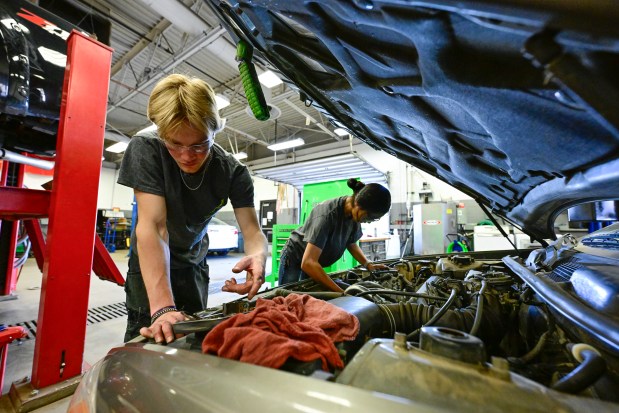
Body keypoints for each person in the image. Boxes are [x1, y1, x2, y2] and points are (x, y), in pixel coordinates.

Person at [117, 74, 267, 344]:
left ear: (214, 131)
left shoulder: (234, 172)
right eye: (175, 144)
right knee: (146, 347)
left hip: (194, 265)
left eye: (200, 145)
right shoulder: (145, 148)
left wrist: (258, 256)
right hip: (150, 266)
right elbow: (154, 226)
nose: (187, 156)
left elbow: (253, 232)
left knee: (194, 341)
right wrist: (162, 307)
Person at [278, 178, 391, 293]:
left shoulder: (354, 216)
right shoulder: (326, 215)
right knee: (288, 297)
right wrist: (340, 293)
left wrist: (368, 264)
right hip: (295, 256)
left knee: (309, 296)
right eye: (368, 217)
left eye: (373, 219)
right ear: (358, 204)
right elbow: (308, 262)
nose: (369, 221)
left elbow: (351, 243)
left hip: (312, 260)